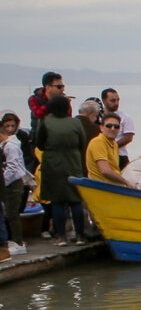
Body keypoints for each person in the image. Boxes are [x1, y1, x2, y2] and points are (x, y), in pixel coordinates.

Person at [34, 95, 88, 246]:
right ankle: (79, 236)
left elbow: (40, 144)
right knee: (75, 201)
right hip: (73, 163)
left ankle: (61, 237)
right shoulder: (75, 122)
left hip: (52, 164)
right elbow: (82, 143)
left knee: (58, 202)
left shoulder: (44, 122)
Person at [1, 112, 36, 255]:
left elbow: (13, 167)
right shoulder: (4, 146)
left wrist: (3, 182)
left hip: (14, 184)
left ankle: (19, 242)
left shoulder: (11, 146)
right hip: (8, 183)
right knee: (7, 212)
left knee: (12, 213)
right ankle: (13, 240)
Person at [84, 113, 132, 187]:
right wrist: (126, 182)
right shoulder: (98, 142)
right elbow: (105, 170)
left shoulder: (114, 144)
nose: (113, 129)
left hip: (113, 187)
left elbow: (114, 169)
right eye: (108, 126)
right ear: (101, 128)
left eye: (116, 126)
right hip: (100, 187)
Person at [28, 71, 68, 140]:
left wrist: (65, 104)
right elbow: (38, 114)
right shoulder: (34, 99)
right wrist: (53, 103)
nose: (63, 89)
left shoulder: (63, 99)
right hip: (39, 137)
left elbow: (68, 117)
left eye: (63, 86)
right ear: (48, 87)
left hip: (58, 135)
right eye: (59, 87)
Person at [101, 88, 135, 169]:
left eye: (118, 100)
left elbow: (128, 137)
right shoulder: (98, 117)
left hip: (120, 155)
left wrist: (112, 146)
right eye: (112, 101)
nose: (116, 103)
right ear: (104, 101)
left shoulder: (125, 117)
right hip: (101, 154)